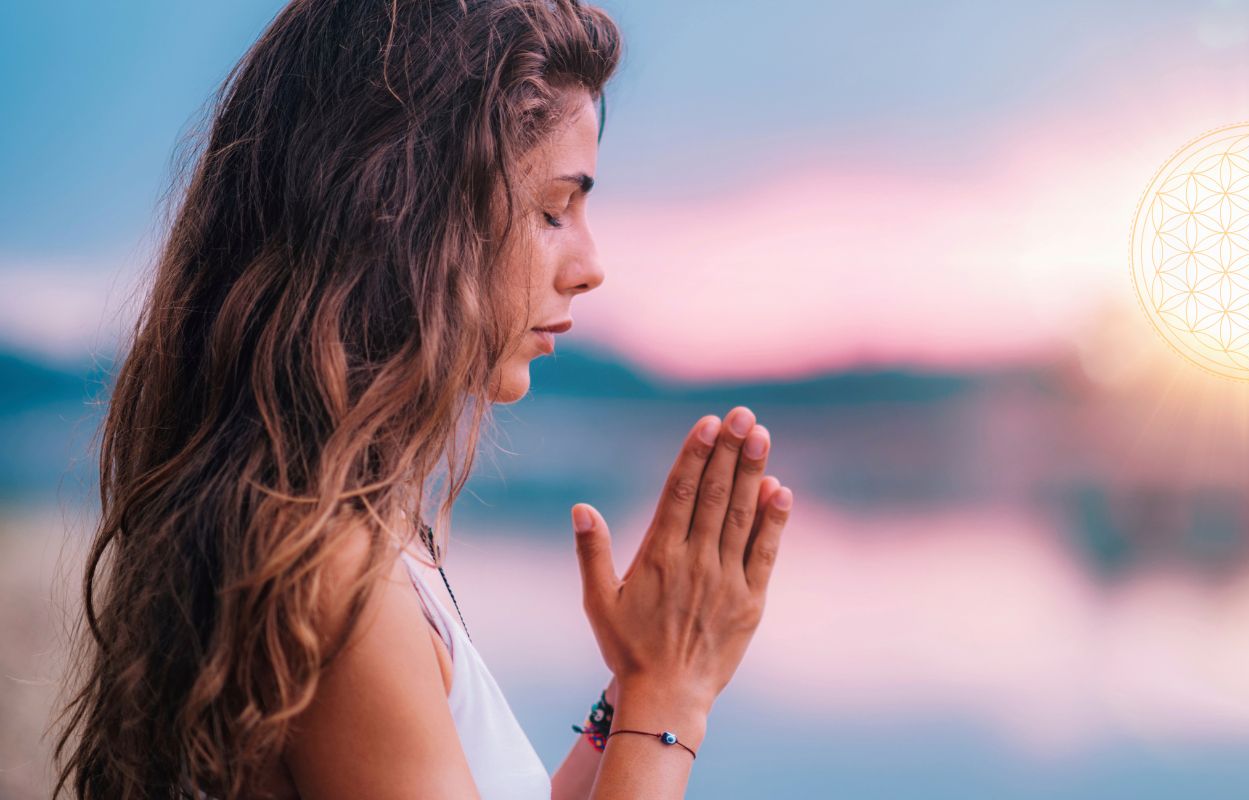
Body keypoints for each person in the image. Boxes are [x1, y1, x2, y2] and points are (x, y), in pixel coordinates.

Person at [50, 1, 795, 797]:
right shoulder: (335, 580)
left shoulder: (351, 532)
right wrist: (670, 698)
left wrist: (634, 686)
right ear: (408, 214)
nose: (589, 264)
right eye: (553, 209)